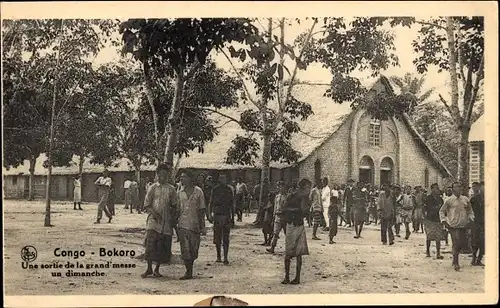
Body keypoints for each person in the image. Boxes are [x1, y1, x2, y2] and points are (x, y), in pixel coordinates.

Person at [141, 163, 178, 278]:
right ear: (157, 175)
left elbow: (175, 205)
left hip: (166, 221)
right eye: (160, 174)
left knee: (161, 246)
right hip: (153, 220)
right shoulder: (152, 188)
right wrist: (154, 214)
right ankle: (148, 268)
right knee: (150, 244)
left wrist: (172, 218)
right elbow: (146, 205)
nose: (162, 177)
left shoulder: (171, 189)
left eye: (165, 175)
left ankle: (157, 269)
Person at [281, 178, 311, 285]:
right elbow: (303, 211)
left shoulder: (293, 195)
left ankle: (287, 277)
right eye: (308, 187)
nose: (309, 189)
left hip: (293, 224)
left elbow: (284, 209)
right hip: (295, 225)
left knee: (291, 252)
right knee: (297, 253)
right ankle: (295, 277)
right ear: (304, 187)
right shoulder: (302, 196)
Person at [439, 182, 475, 271]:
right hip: (453, 225)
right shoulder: (449, 200)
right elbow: (441, 211)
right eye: (456, 187)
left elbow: (470, 211)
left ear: (462, 189)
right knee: (456, 242)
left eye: (459, 187)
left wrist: (471, 219)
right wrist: (444, 221)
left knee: (461, 243)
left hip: (463, 225)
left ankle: (455, 259)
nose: (458, 189)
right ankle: (456, 262)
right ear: (453, 189)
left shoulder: (466, 199)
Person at [177, 171, 206, 280]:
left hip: (195, 224)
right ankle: (188, 271)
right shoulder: (180, 192)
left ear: (190, 178)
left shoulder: (198, 191)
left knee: (194, 249)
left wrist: (202, 225)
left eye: (184, 177)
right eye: (181, 177)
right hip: (183, 224)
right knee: (185, 249)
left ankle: (190, 267)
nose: (182, 179)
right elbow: (177, 209)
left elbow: (202, 209)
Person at [207, 173, 234, 265]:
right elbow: (210, 203)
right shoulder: (215, 190)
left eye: (224, 178)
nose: (222, 180)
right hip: (217, 216)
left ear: (226, 180)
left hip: (226, 215)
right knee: (217, 237)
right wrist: (209, 214)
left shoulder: (229, 190)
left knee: (226, 238)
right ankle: (218, 256)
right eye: (221, 178)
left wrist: (232, 218)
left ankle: (225, 257)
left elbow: (231, 204)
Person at [423, 183, 445, 259]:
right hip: (430, 219)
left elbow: (443, 209)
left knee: (438, 236)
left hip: (438, 219)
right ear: (432, 189)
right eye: (436, 188)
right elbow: (427, 209)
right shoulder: (428, 198)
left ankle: (438, 253)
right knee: (429, 236)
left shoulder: (440, 199)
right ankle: (427, 251)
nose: (437, 190)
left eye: (437, 188)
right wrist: (437, 207)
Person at [267, 181, 287, 254]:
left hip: (284, 218)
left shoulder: (287, 197)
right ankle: (272, 247)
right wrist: (273, 216)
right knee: (275, 234)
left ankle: (289, 248)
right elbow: (275, 207)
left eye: (281, 186)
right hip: (277, 217)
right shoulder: (277, 196)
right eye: (278, 186)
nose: (279, 188)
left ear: (284, 187)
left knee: (287, 234)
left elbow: (286, 208)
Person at [469, 182, 484, 266]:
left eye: (475, 186)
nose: (474, 188)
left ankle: (479, 259)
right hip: (475, 222)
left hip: (483, 222)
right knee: (474, 240)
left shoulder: (483, 198)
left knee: (483, 241)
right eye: (473, 187)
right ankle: (474, 258)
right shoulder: (472, 199)